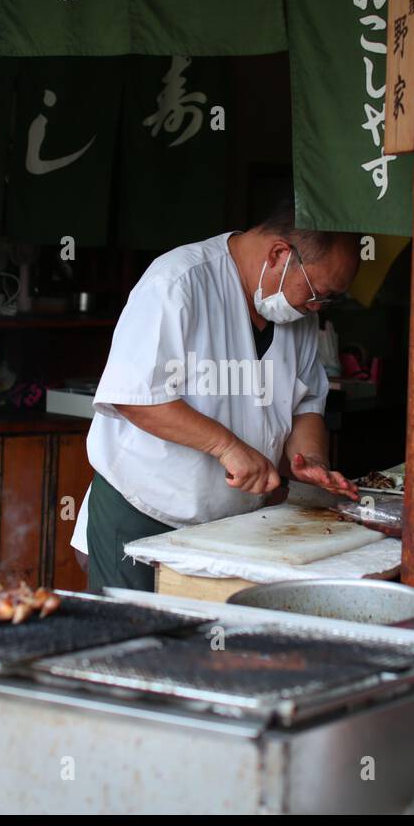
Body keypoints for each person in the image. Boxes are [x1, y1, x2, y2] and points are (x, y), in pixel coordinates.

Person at [71, 200, 361, 591]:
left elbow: (306, 406)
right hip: (143, 512)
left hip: (233, 524)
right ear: (278, 254)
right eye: (317, 293)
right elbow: (135, 396)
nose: (316, 307)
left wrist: (308, 459)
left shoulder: (299, 316)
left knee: (208, 644)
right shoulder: (178, 281)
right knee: (132, 644)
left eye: (328, 300)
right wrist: (227, 447)